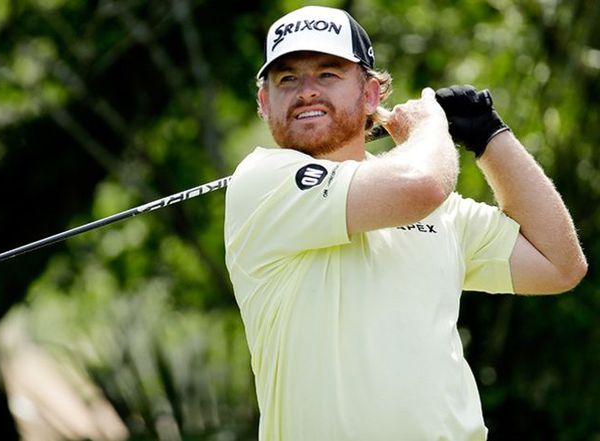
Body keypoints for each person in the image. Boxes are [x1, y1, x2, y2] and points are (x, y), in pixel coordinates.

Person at [223, 5, 587, 440]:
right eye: (287, 79)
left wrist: (489, 135)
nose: (306, 92)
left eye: (328, 74)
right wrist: (430, 124)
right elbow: (422, 184)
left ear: (372, 94)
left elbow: (560, 264)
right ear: (265, 103)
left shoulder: (441, 211)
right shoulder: (263, 181)